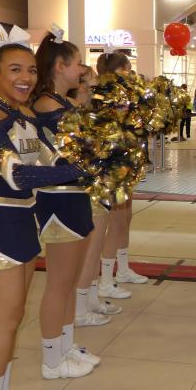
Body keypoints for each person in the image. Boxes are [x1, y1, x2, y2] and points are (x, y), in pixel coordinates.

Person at [0, 32, 84, 390]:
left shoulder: (25, 113)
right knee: (6, 318)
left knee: (14, 317)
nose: (25, 77)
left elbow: (50, 160)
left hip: (22, 217)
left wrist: (97, 160)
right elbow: (17, 175)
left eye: (30, 70)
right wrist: (79, 170)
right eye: (15, 69)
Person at [32, 28, 98, 380]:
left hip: (76, 194)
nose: (81, 70)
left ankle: (66, 344)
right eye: (77, 64)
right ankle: (51, 360)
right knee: (59, 282)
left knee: (69, 280)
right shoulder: (47, 105)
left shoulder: (63, 103)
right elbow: (76, 150)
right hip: (57, 197)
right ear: (60, 66)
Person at [95, 52, 149, 301]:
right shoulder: (103, 96)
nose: (130, 73)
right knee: (115, 221)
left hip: (126, 161)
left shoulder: (124, 94)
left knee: (125, 216)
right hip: (111, 165)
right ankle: (106, 280)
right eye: (126, 69)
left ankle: (123, 268)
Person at [73, 66, 123, 327]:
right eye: (91, 84)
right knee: (89, 250)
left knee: (95, 247)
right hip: (86, 190)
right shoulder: (74, 115)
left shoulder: (91, 113)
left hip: (99, 187)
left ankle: (90, 299)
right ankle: (79, 309)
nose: (96, 90)